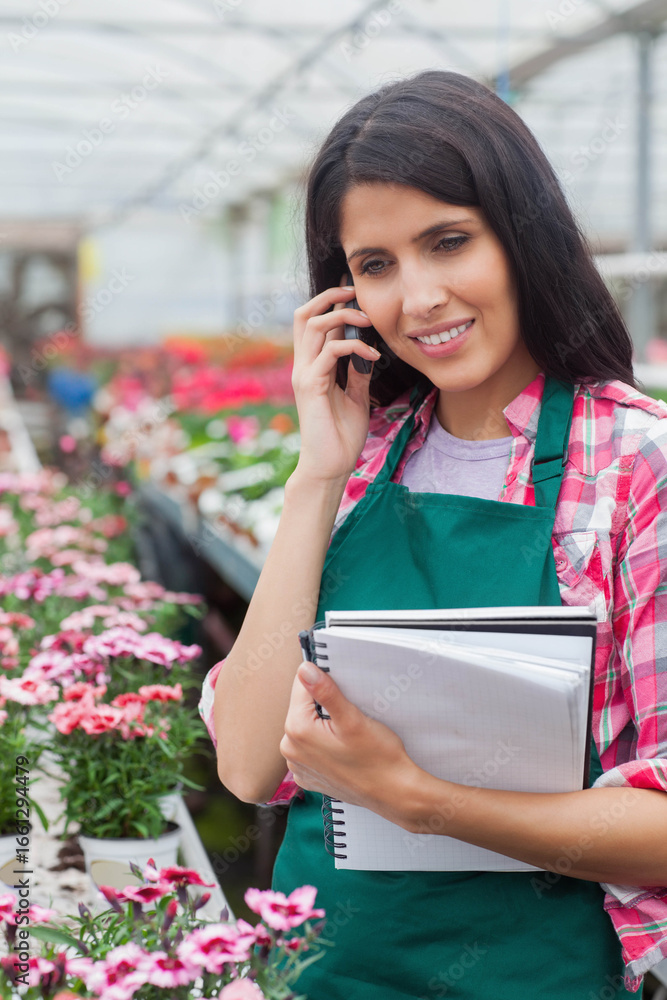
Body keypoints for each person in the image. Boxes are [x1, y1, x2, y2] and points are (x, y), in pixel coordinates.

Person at [200, 70, 667, 999]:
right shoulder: (361, 465)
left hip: (544, 973)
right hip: (329, 972)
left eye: (447, 242)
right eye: (374, 265)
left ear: (520, 234)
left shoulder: (634, 468)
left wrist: (419, 802)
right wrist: (317, 474)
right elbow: (251, 767)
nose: (416, 299)